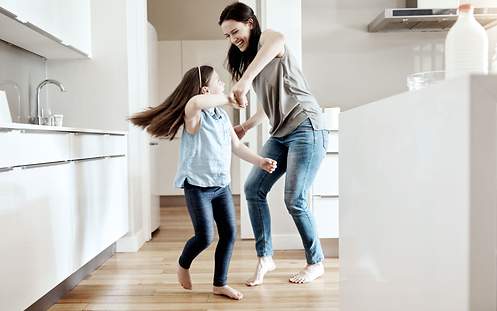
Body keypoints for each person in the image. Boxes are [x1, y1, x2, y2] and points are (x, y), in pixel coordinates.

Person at [129, 65, 277, 300]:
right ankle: (183, 264)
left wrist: (260, 162)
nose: (223, 85)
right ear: (205, 89)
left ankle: (220, 284)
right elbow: (195, 103)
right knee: (205, 236)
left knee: (229, 233)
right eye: (219, 82)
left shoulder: (222, 116)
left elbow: (236, 147)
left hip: (221, 186)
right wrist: (228, 98)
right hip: (197, 187)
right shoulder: (194, 116)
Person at [219, 3, 328, 286]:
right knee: (253, 189)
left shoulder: (269, 39)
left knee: (295, 199)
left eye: (236, 31)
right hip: (280, 132)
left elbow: (279, 40)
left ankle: (316, 262)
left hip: (306, 125)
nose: (233, 39)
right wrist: (245, 125)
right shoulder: (252, 59)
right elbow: (270, 105)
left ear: (251, 23)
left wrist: (243, 82)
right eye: (228, 36)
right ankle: (265, 257)